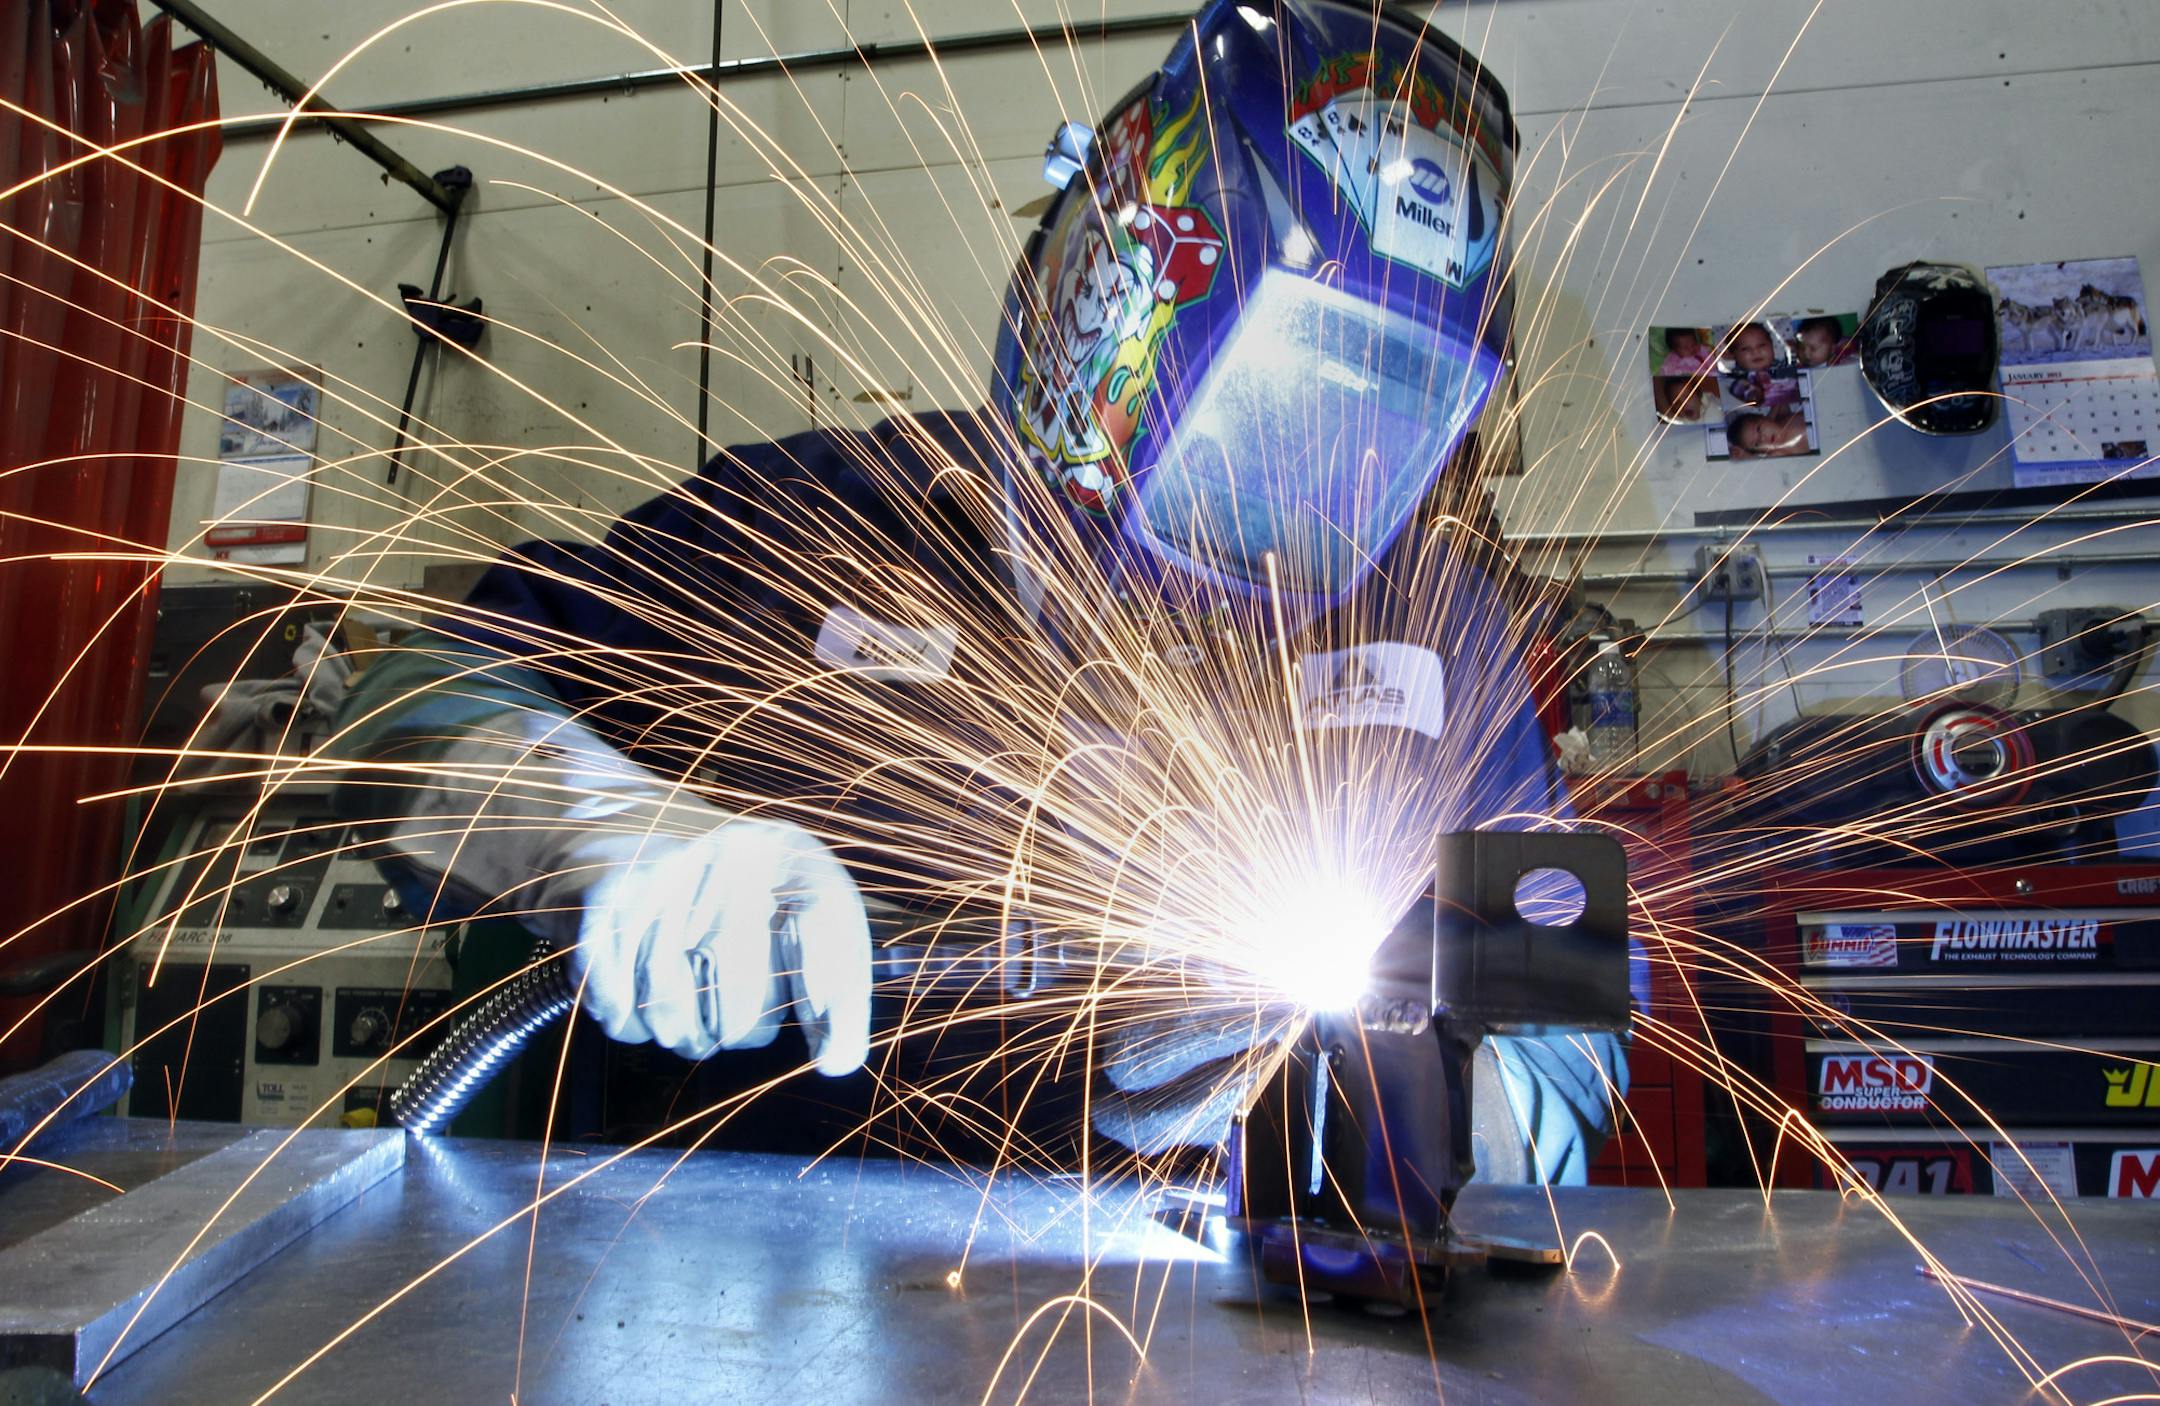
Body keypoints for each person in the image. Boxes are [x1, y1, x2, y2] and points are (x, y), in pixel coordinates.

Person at [330, 0, 1626, 1185]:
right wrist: (596, 829)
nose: (1320, 480)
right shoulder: (818, 519)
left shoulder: (1432, 619)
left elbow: (1569, 1061)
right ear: (1123, 303)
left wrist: (1390, 1095)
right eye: (1291, 401)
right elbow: (388, 711)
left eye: (1384, 416)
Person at [1725, 404, 1813, 458]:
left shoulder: (1783, 417)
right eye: (1757, 444)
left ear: (1765, 417)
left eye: (1759, 429)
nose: (1762, 439)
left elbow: (1780, 400)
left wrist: (1770, 418)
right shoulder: (1779, 453)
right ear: (1761, 452)